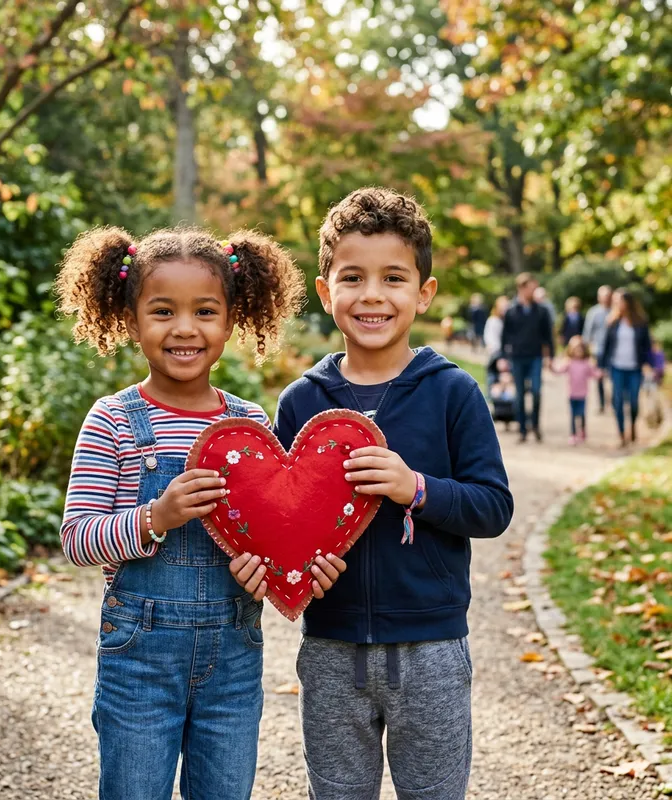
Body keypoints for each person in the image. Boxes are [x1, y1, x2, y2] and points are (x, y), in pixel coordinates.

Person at [236, 187, 514, 800]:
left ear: (424, 292)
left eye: (393, 278)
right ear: (325, 290)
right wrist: (286, 567)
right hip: (331, 647)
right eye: (352, 277)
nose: (372, 295)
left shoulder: (453, 392)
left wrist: (415, 488)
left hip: (432, 646)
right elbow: (283, 514)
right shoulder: (301, 401)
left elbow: (493, 506)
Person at [55, 225, 344, 800]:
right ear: (130, 318)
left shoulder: (251, 424)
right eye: (163, 311)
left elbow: (270, 534)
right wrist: (155, 518)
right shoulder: (113, 419)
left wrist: (279, 572)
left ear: (232, 320)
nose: (185, 328)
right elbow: (77, 537)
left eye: (205, 311)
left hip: (233, 660)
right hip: (140, 659)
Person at [501, 273, 555, 442]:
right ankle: (522, 430)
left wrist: (551, 356)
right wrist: (503, 357)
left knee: (537, 392)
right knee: (520, 395)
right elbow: (505, 336)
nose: (533, 291)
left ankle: (536, 426)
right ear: (522, 288)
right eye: (531, 288)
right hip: (517, 357)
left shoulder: (542, 311)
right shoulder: (511, 311)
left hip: (535, 357)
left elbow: (548, 335)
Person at [599, 289, 653, 446]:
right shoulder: (613, 321)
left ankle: (633, 425)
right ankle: (622, 433)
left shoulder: (640, 322)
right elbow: (606, 345)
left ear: (628, 302)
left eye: (619, 300)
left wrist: (648, 364)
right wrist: (601, 366)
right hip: (617, 367)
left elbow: (647, 346)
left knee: (634, 401)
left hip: (634, 367)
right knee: (618, 401)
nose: (616, 303)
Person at [551, 335, 601, 445]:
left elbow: (594, 373)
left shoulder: (586, 363)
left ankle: (582, 431)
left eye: (580, 349)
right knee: (573, 415)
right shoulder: (569, 362)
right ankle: (573, 434)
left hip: (582, 394)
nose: (578, 352)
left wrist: (600, 374)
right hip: (572, 393)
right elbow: (559, 370)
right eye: (576, 349)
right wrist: (552, 367)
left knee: (581, 414)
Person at [582, 284, 613, 413]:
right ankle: (601, 403)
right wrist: (587, 353)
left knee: (613, 378)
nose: (606, 298)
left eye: (608, 296)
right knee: (599, 378)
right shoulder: (593, 312)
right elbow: (587, 333)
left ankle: (614, 402)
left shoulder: (616, 311)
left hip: (613, 352)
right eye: (603, 296)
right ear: (599, 297)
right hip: (598, 351)